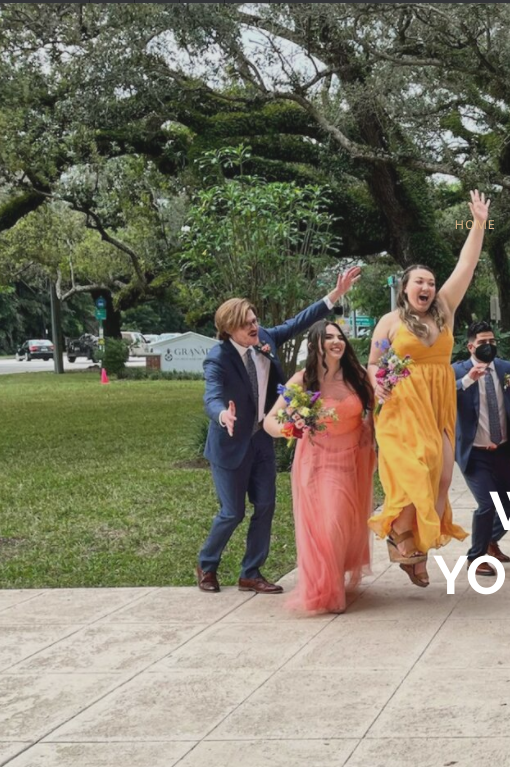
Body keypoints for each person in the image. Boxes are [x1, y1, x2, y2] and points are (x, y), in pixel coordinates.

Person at [196, 267, 362, 594]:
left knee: (267, 505)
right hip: (230, 443)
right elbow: (212, 395)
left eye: (255, 320)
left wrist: (335, 295)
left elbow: (299, 322)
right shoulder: (218, 358)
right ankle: (207, 563)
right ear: (229, 329)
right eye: (247, 324)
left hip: (262, 439)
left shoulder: (265, 339)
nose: (255, 326)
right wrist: (222, 417)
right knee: (232, 512)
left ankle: (251, 572)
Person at [368, 190, 491, 587]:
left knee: (439, 477)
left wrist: (478, 224)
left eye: (431, 282)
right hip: (402, 403)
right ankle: (408, 547)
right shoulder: (388, 322)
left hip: (438, 403)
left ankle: (413, 543)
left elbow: (466, 265)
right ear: (405, 288)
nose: (427, 286)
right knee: (416, 470)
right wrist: (377, 382)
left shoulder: (444, 309)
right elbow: (373, 364)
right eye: (419, 281)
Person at [263, 321, 376, 613]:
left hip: (353, 458)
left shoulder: (357, 376)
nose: (337, 342)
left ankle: (332, 577)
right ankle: (328, 588)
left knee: (344, 524)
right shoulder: (302, 381)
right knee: (329, 522)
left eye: (340, 337)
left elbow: (377, 409)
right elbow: (270, 420)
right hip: (317, 460)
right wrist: (290, 427)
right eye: (329, 337)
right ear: (316, 344)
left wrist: (373, 435)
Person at [453, 320, 510, 578]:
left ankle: (490, 540)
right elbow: (442, 396)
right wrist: (467, 380)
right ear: (470, 346)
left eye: (492, 342)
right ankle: (476, 557)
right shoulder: (456, 371)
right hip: (473, 451)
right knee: (487, 504)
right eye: (482, 343)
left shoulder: (506, 369)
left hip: (500, 448)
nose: (488, 346)